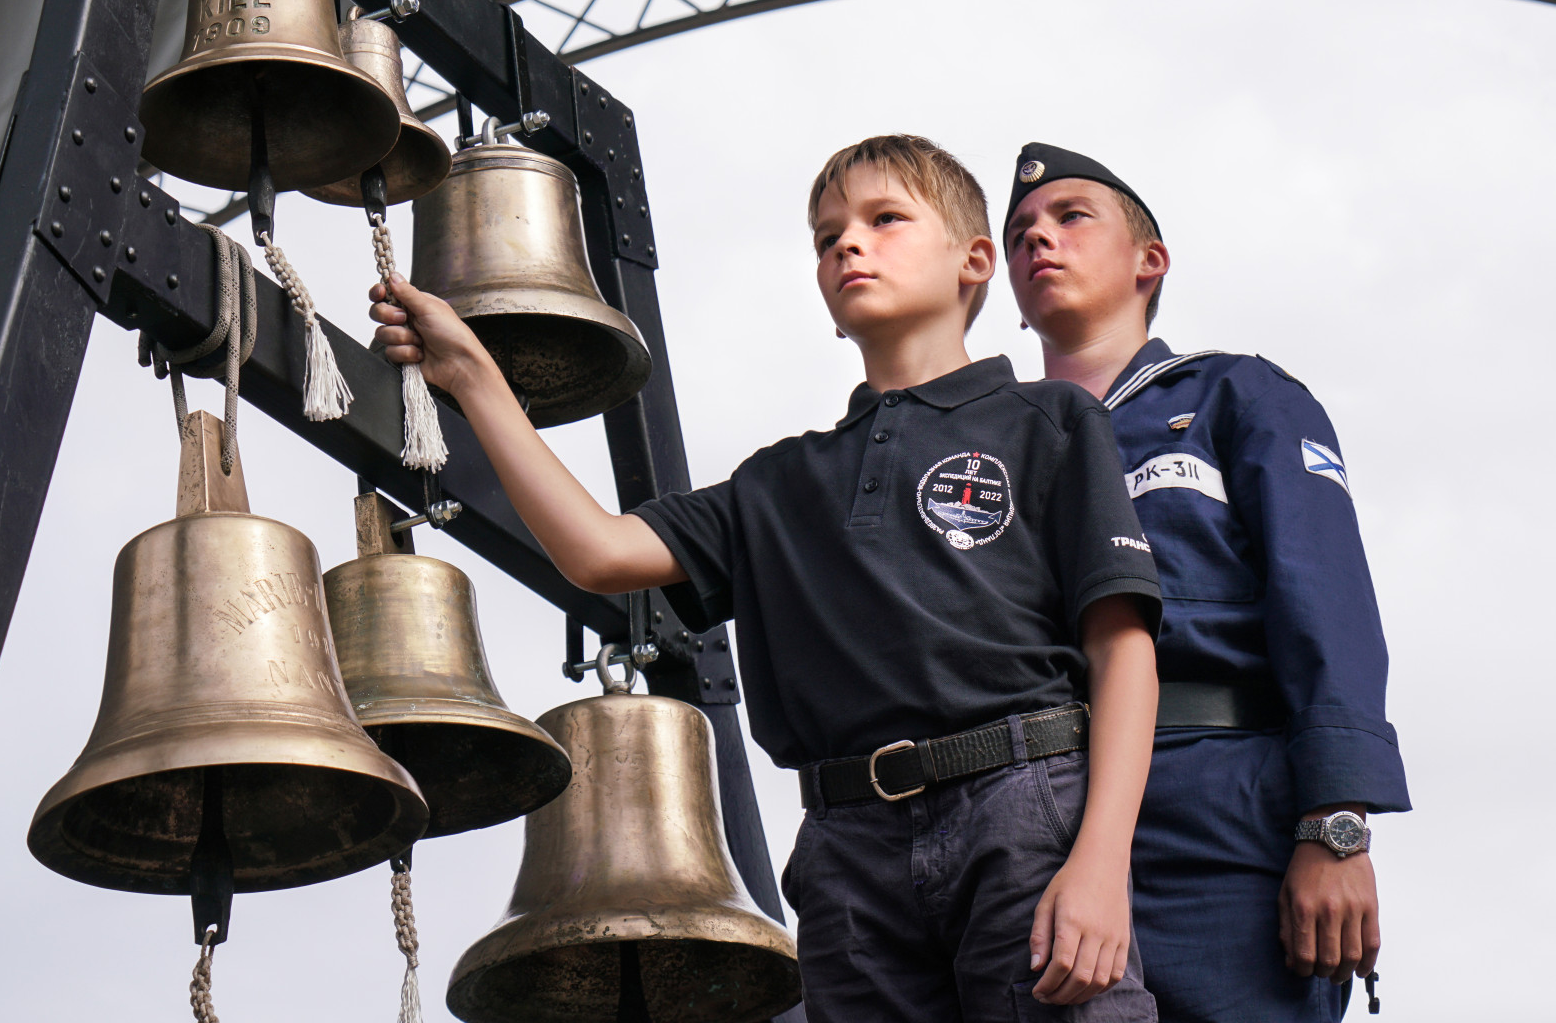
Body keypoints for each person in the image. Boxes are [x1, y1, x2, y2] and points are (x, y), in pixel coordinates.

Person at [372, 134, 1163, 1021]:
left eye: (884, 220)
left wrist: (1100, 862)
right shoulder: (777, 482)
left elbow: (1122, 646)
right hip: (846, 845)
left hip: (1023, 811)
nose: (847, 247)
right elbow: (597, 551)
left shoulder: (1049, 420)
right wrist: (477, 379)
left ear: (974, 261)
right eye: (826, 238)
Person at [1001, 142, 1411, 1022]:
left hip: (1212, 808)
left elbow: (1324, 598)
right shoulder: (989, 454)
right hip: (1027, 817)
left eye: (1070, 217)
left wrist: (1332, 825)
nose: (1039, 238)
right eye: (1019, 232)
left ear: (1148, 261)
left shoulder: (1236, 398)